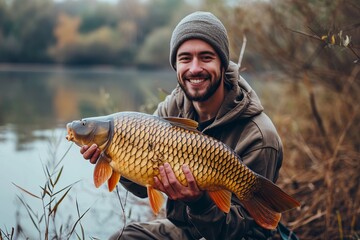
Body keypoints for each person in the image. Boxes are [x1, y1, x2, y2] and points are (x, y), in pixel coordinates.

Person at [81, 11, 285, 240]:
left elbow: (240, 230)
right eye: (185, 58)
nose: (195, 68)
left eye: (206, 57)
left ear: (222, 62)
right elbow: (143, 185)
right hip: (186, 229)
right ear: (175, 65)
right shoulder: (172, 109)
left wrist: (199, 202)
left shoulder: (259, 136)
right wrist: (115, 158)